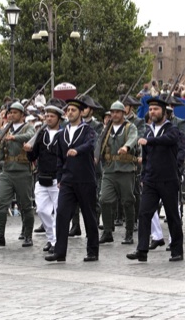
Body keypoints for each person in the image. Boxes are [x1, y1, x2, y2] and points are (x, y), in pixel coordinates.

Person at [127, 96, 184, 263]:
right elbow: (146, 156)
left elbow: (168, 141)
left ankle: (177, 250)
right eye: (150, 109)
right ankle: (142, 250)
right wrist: (144, 175)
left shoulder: (171, 129)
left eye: (156, 109)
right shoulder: (149, 130)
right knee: (144, 214)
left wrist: (149, 141)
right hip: (151, 179)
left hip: (168, 179)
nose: (152, 112)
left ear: (163, 112)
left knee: (173, 216)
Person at [46, 98, 100, 263]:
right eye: (68, 110)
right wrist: (60, 177)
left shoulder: (88, 130)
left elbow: (91, 145)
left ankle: (92, 251)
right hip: (68, 180)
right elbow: (60, 158)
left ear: (81, 112)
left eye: (73, 110)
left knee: (89, 216)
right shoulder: (62, 133)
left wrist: (77, 150)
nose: (70, 113)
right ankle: (59, 251)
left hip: (85, 179)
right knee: (62, 214)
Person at [0, 102, 36, 246]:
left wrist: (14, 138)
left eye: (15, 112)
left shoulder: (29, 127)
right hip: (7, 171)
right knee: (1, 203)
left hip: (23, 171)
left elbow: (29, 136)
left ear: (22, 115)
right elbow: (1, 152)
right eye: (10, 112)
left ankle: (28, 235)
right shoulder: (5, 130)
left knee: (26, 205)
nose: (11, 115)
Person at [98, 101, 139, 245]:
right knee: (104, 199)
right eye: (112, 112)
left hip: (125, 169)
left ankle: (129, 232)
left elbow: (134, 138)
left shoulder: (130, 127)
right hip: (109, 170)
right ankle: (107, 231)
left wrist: (126, 147)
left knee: (128, 201)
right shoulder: (106, 129)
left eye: (117, 112)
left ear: (123, 113)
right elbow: (98, 144)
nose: (114, 115)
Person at [25, 104, 62, 251]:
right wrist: (28, 151)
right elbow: (33, 156)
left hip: (57, 179)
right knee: (41, 210)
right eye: (47, 116)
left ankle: (55, 242)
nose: (49, 119)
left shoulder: (63, 134)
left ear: (58, 118)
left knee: (59, 211)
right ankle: (51, 238)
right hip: (42, 177)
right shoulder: (41, 134)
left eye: (52, 116)